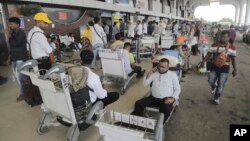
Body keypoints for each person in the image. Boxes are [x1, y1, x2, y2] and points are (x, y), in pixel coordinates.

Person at [131, 58, 181, 122]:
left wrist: (172, 98)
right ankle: (139, 122)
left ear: (168, 67)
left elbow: (177, 89)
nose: (160, 68)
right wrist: (149, 73)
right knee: (138, 103)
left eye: (163, 67)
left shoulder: (173, 75)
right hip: (153, 98)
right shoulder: (154, 74)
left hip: (165, 99)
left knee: (165, 111)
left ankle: (159, 126)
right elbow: (145, 84)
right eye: (159, 66)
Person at [203, 30, 237, 105]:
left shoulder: (232, 47)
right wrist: (203, 61)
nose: (222, 38)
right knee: (210, 80)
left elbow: (233, 59)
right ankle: (214, 86)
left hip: (225, 68)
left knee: (221, 84)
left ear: (228, 38)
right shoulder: (214, 45)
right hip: (214, 66)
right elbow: (209, 53)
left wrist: (235, 69)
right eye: (222, 36)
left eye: (225, 37)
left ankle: (216, 98)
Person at [8, 17, 28, 102]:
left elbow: (16, 44)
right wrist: (10, 57)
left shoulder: (21, 33)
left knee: (21, 77)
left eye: (11, 24)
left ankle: (23, 93)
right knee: (17, 77)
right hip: (14, 58)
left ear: (17, 25)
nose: (10, 26)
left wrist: (9, 36)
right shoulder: (13, 33)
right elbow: (12, 47)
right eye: (10, 24)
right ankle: (23, 92)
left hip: (20, 58)